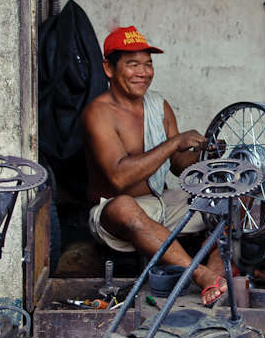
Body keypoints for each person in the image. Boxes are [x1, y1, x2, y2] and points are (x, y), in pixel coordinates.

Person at [81, 26, 229, 306]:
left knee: (232, 194)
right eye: (132, 64)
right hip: (115, 213)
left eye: (148, 64)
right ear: (109, 69)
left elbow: (177, 166)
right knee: (125, 205)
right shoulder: (98, 113)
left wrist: (205, 154)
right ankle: (198, 273)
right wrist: (174, 143)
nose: (143, 72)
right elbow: (118, 179)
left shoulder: (158, 106)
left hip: (163, 203)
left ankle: (217, 269)